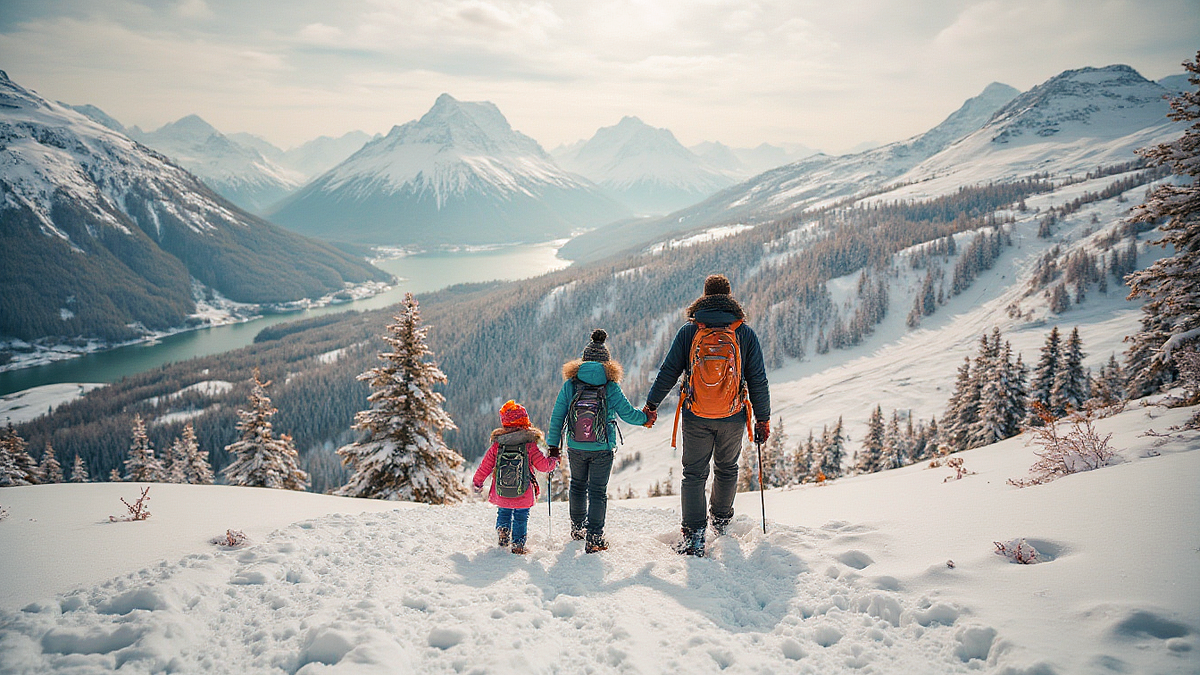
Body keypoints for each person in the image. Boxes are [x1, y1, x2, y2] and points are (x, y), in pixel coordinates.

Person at [644, 274, 770, 557]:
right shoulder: (744, 333)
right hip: (732, 415)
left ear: (704, 296)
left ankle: (693, 536)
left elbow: (668, 372)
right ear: (729, 297)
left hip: (696, 415)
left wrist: (651, 404)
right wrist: (763, 419)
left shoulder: (690, 331)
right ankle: (722, 524)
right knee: (727, 469)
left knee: (694, 474)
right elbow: (758, 379)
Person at [547, 329, 650, 553]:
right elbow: (628, 414)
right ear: (607, 363)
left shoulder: (571, 385)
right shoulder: (610, 386)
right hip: (602, 447)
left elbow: (558, 416)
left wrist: (553, 446)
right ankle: (594, 538)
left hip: (575, 445)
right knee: (597, 491)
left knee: (577, 486)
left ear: (583, 361)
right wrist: (646, 419)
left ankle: (577, 529)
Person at [472, 400, 559, 555]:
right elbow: (544, 466)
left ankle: (503, 531)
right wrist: (554, 459)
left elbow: (485, 467)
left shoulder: (497, 445)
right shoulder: (530, 445)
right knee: (520, 517)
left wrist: (477, 482)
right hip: (523, 492)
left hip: (502, 491)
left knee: (504, 512)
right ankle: (518, 544)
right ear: (525, 423)